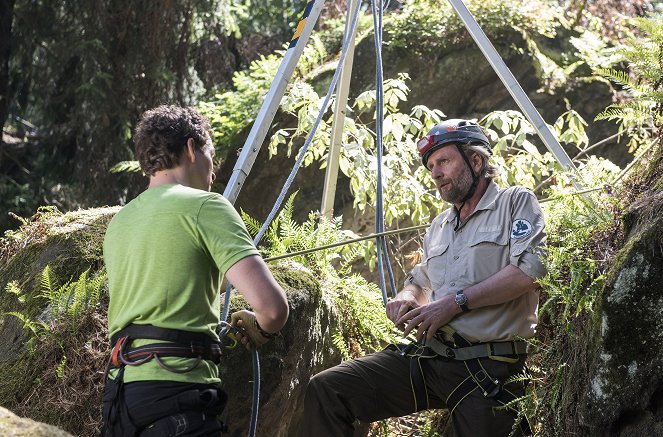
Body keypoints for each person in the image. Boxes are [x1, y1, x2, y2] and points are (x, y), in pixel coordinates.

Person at [302, 119, 546, 437]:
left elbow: (531, 271)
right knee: (328, 389)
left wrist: (456, 303)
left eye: (443, 161)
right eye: (431, 165)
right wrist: (407, 297)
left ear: (476, 160)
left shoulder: (515, 202)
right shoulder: (440, 225)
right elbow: (422, 280)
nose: (435, 173)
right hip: (430, 358)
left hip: (490, 368)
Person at [101, 105, 289, 436]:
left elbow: (165, 290)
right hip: (177, 393)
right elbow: (273, 308)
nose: (213, 174)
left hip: (120, 400)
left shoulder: (119, 222)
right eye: (210, 159)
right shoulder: (206, 206)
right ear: (191, 149)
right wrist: (261, 327)